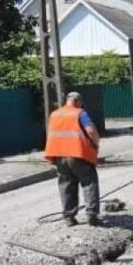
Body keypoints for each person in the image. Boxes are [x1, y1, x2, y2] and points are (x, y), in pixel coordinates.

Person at [45, 92, 101, 227]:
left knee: (66, 185)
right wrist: (96, 145)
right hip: (78, 154)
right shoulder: (80, 113)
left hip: (59, 155)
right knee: (89, 182)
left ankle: (69, 217)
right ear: (78, 101)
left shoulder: (54, 114)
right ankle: (92, 215)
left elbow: (51, 134)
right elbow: (91, 130)